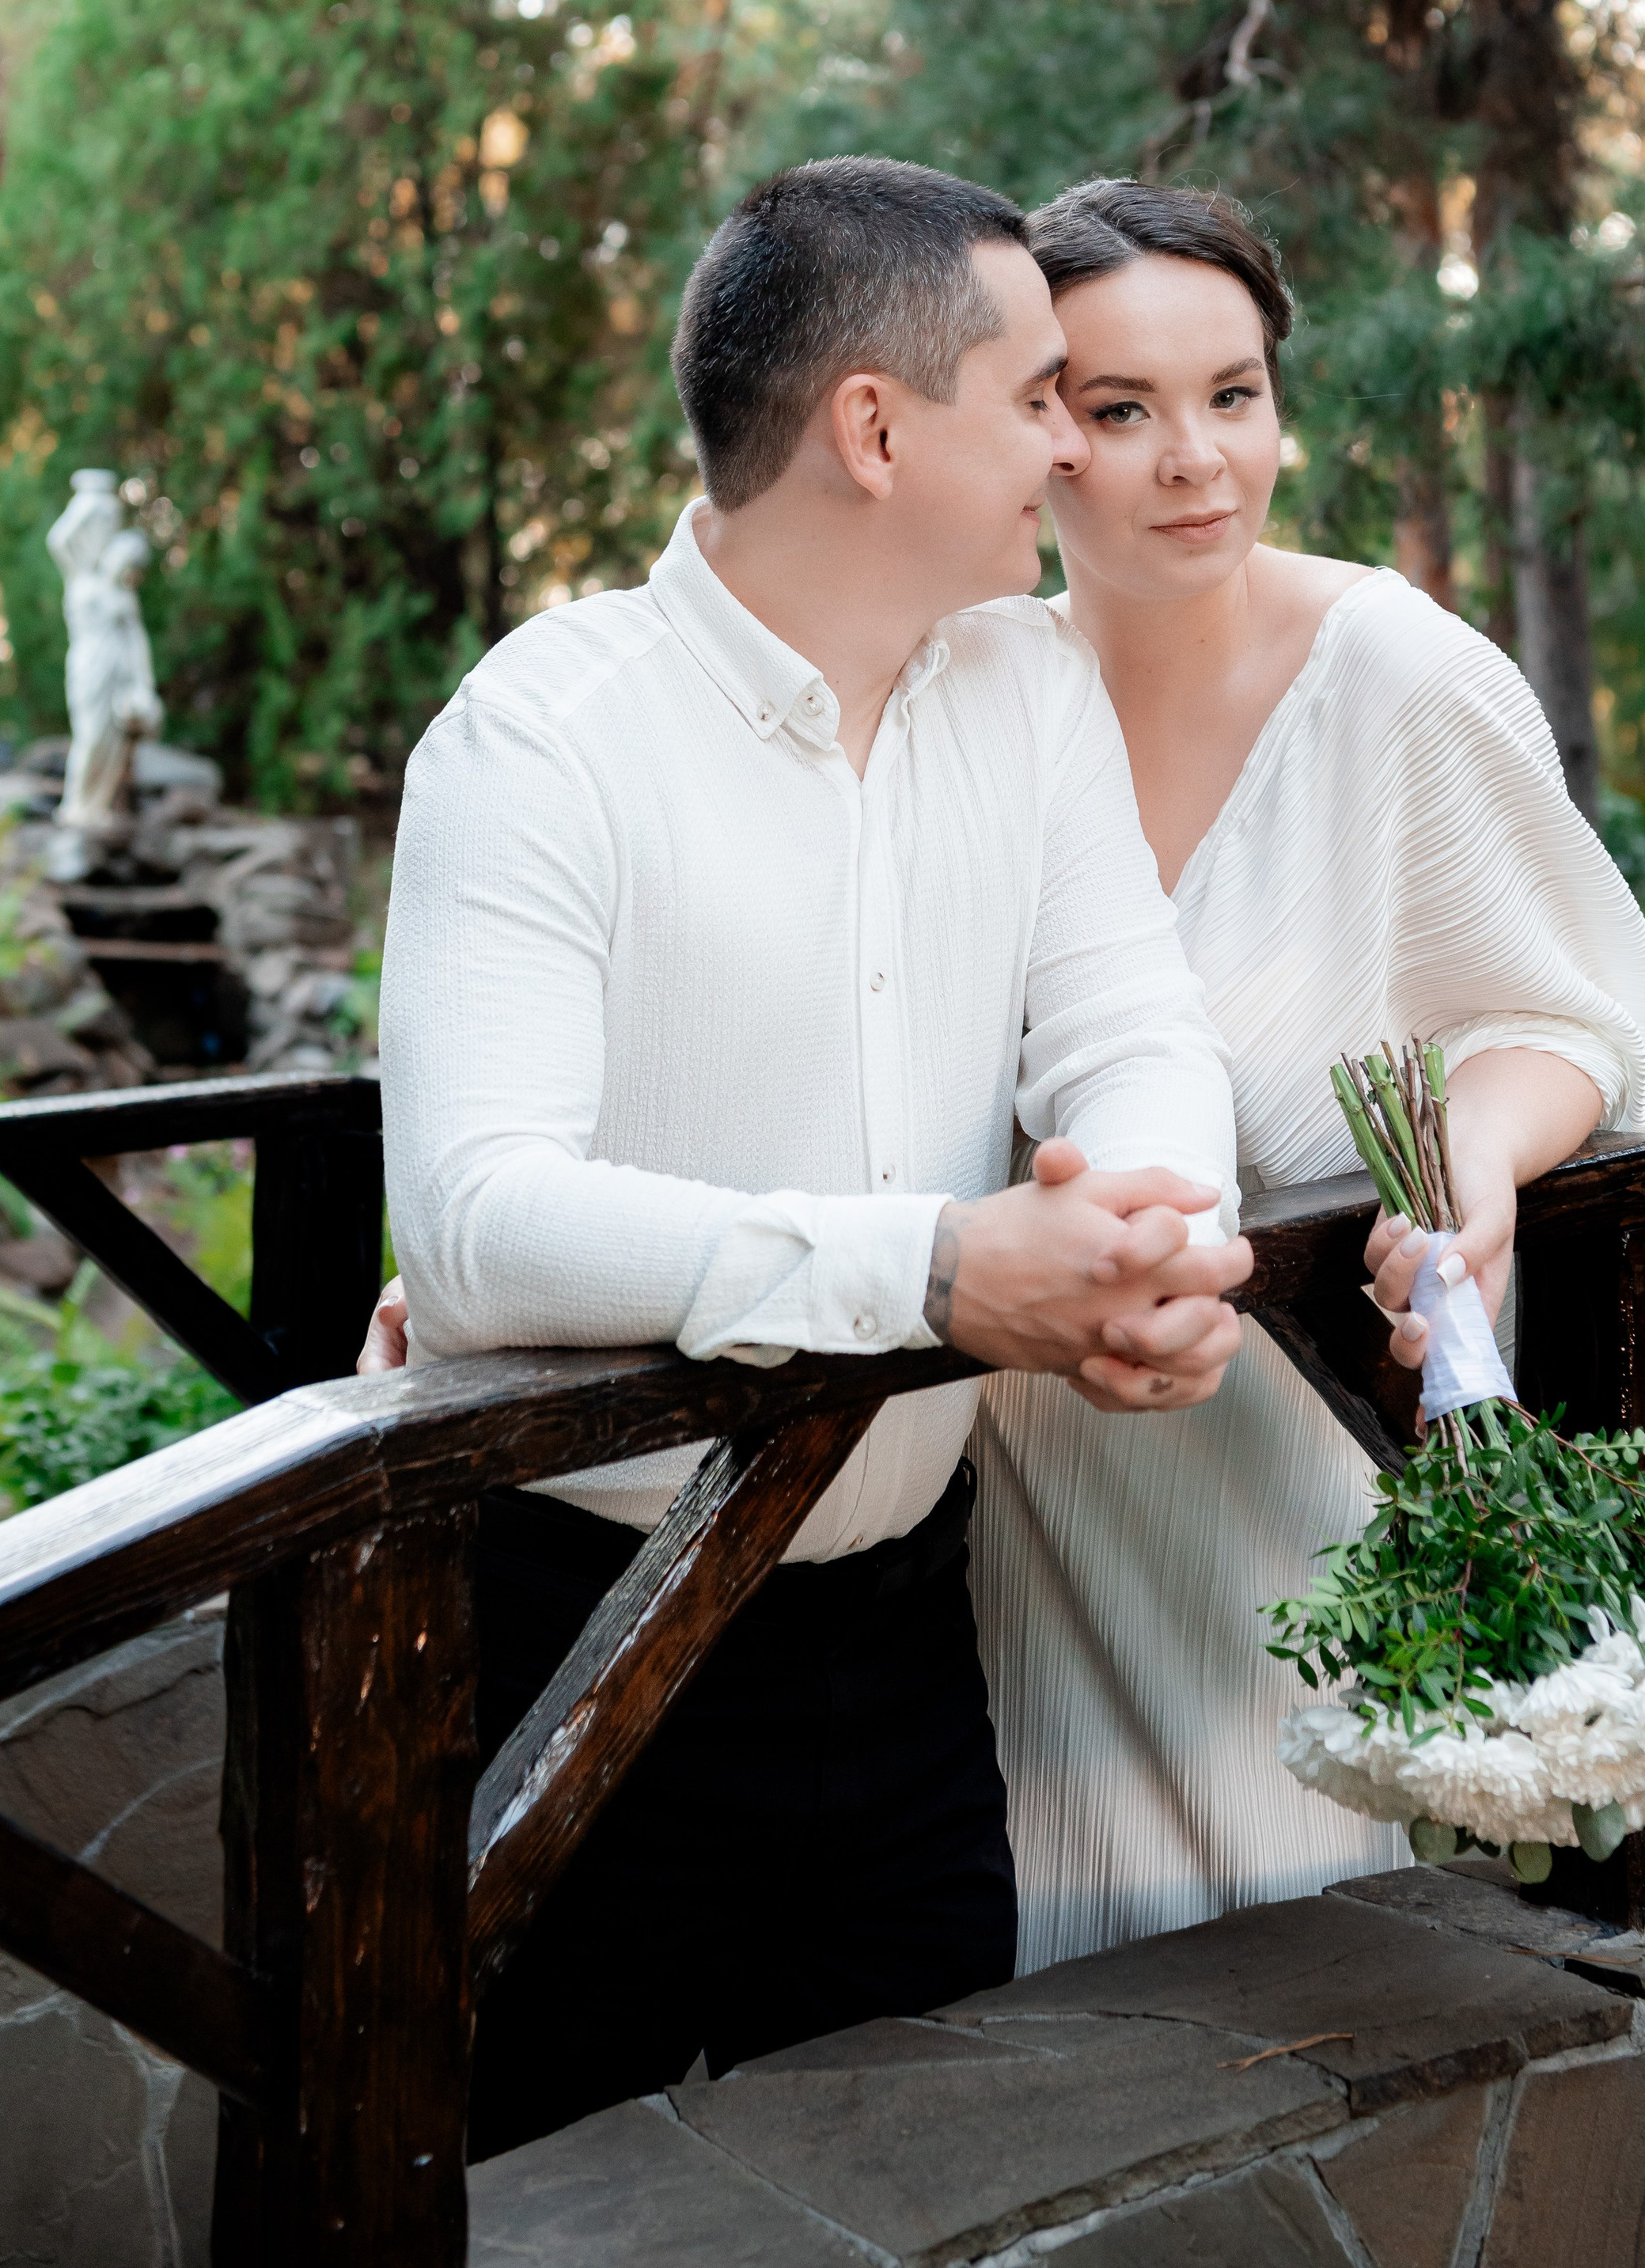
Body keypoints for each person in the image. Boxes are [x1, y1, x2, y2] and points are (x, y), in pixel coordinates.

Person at [376, 156, 1250, 2156]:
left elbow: (1129, 1018)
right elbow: (481, 1226)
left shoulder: (1025, 690)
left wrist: (1150, 1232)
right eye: (1038, 394)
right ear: (873, 426)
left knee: (925, 2182)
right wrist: (938, 1268)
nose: (1072, 444)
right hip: (572, 1645)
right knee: (521, 2195)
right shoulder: (540, 738)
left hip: (905, 1647)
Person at [971, 178, 1645, 1974]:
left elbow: (1572, 1013)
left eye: (1233, 394)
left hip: (1285, 1516)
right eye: (1119, 409)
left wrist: (1478, 1155)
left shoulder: (1398, 679)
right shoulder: (972, 697)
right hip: (1002, 1526)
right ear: (1034, 427)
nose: (1193, 460)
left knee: (1307, 2060)